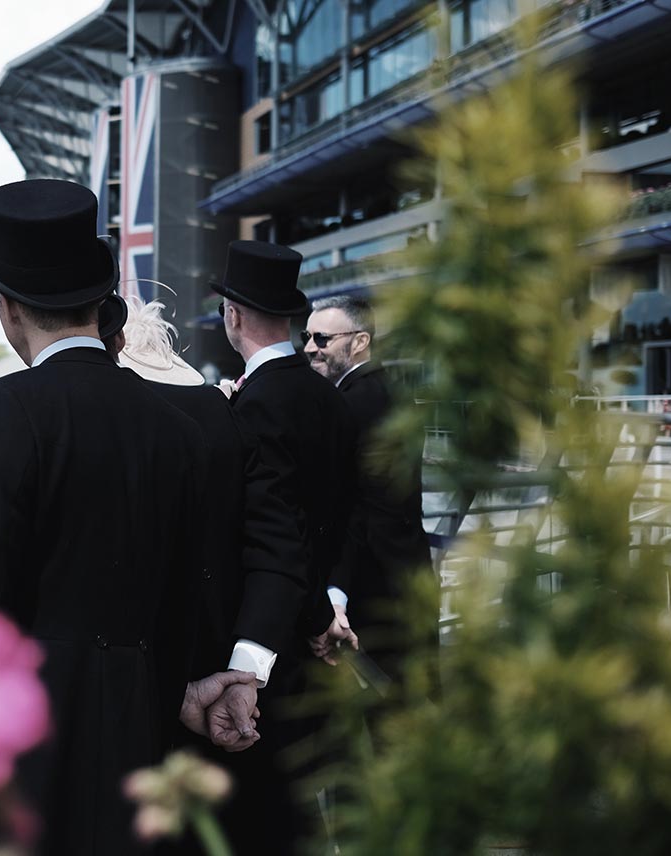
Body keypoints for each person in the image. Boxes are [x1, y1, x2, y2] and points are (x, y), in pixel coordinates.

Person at [0, 178, 257, 856]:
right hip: (144, 720)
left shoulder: (2, 409)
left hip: (25, 729)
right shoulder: (177, 427)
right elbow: (192, 590)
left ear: (9, 309)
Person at [100, 293, 313, 856]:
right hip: (240, 717)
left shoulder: (107, 426)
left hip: (131, 722)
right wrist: (245, 672)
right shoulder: (226, 418)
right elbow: (279, 550)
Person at [213, 240, 359, 853]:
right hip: (314, 629)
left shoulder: (255, 404)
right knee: (297, 803)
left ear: (233, 314)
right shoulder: (331, 396)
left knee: (262, 813)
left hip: (262, 640)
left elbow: (275, 533)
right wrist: (331, 610)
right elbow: (340, 516)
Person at [303, 295, 436, 688]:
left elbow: (352, 505)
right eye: (307, 336)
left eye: (323, 339)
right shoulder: (389, 391)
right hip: (407, 574)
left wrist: (336, 593)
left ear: (359, 341)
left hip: (372, 586)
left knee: (386, 710)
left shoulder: (350, 404)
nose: (311, 347)